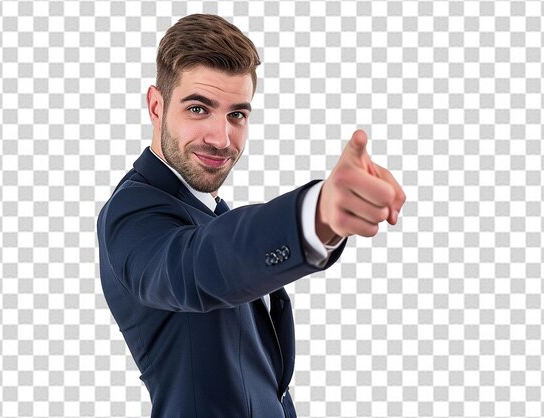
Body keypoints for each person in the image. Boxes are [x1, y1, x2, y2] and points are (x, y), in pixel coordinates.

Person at [96, 13, 405, 418]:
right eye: (197, 109)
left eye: (236, 115)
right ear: (156, 106)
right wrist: (314, 217)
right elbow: (197, 266)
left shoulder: (209, 210)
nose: (221, 138)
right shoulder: (133, 212)